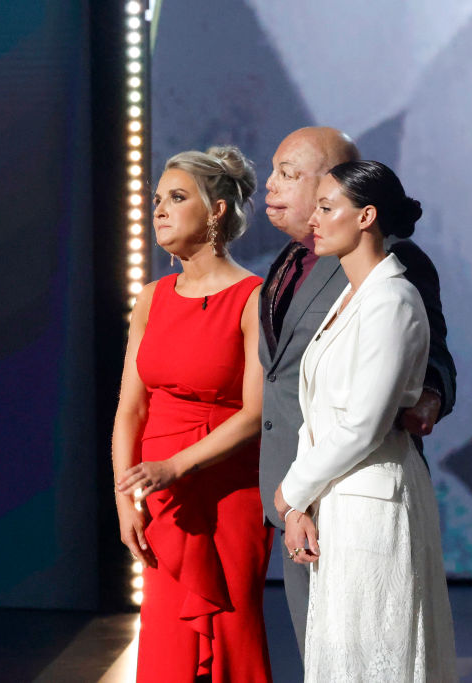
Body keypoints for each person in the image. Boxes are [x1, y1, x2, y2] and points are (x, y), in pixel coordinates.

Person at [258, 127, 456, 656]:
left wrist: (430, 394)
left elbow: (424, 359)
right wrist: (293, 497)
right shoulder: (286, 264)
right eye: (273, 170)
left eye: (289, 175)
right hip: (302, 493)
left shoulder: (394, 276)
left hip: (355, 487)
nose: (270, 186)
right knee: (325, 651)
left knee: (373, 649)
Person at [113, 146, 274, 681]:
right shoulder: (150, 299)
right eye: (157, 199)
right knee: (167, 639)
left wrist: (174, 467)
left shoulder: (254, 297)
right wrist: (124, 499)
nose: (158, 209)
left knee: (232, 629)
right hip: (163, 498)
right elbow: (130, 410)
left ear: (216, 212)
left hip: (228, 489)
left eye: (176, 198)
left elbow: (255, 414)